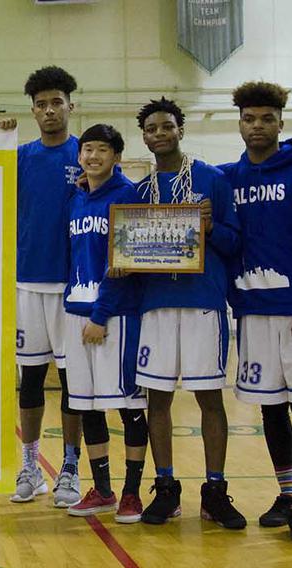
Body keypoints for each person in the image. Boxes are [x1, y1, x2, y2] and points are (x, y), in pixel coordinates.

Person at [132, 97, 245, 529]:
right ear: (143, 137)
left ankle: (215, 490)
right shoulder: (138, 192)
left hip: (203, 303)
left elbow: (235, 242)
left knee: (209, 399)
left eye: (166, 126)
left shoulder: (212, 180)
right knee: (156, 400)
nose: (159, 134)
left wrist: (212, 226)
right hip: (156, 306)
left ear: (181, 130)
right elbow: (128, 246)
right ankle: (166, 489)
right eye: (151, 129)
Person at [0, 66, 84, 507]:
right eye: (41, 104)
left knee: (73, 385)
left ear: (71, 105)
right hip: (27, 284)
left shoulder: (87, 156)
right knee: (29, 383)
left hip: (73, 289)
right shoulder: (20, 157)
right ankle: (30, 466)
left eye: (56, 102)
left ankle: (70, 468)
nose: (49, 110)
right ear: (32, 110)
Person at [62, 124, 148, 523]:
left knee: (128, 406)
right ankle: (102, 490)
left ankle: (132, 493)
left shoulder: (127, 196)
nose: (93, 156)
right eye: (87, 150)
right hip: (76, 314)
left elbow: (124, 265)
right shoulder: (77, 197)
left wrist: (100, 316)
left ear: (116, 156)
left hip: (115, 318)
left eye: (101, 150)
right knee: (88, 407)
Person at [218, 81, 292, 532]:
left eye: (267, 118)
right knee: (271, 408)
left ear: (281, 122)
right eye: (250, 118)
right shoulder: (227, 179)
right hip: (252, 312)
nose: (258, 126)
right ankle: (287, 494)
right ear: (239, 123)